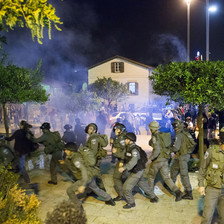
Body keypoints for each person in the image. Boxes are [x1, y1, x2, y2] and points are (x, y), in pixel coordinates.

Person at [147, 121, 183, 202]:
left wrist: (150, 158)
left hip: (158, 160)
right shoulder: (163, 135)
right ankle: (178, 192)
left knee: (151, 177)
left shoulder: (155, 137)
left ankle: (151, 195)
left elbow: (157, 150)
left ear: (152, 129)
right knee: (166, 178)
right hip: (165, 159)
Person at [118, 132, 152, 209]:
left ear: (130, 140)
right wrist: (122, 162)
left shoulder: (134, 150)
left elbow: (134, 161)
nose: (125, 140)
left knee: (126, 187)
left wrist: (124, 167)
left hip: (137, 171)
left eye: (126, 139)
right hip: (137, 170)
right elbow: (125, 156)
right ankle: (153, 197)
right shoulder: (128, 147)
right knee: (142, 184)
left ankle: (131, 203)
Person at [198, 128, 224, 224]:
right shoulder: (212, 151)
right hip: (212, 189)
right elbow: (203, 168)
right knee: (207, 217)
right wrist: (201, 184)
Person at [170, 119, 196, 200]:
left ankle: (189, 192)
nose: (175, 128)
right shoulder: (185, 132)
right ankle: (170, 185)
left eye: (175, 126)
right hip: (185, 155)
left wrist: (168, 149)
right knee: (174, 169)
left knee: (184, 174)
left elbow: (176, 148)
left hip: (183, 156)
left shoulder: (179, 135)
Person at [85, 123, 108, 190]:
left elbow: (94, 151)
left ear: (94, 130)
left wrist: (90, 161)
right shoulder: (93, 137)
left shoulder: (93, 138)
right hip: (95, 159)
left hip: (94, 159)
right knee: (94, 174)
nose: (89, 130)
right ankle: (94, 189)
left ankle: (102, 189)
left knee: (96, 174)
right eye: (89, 128)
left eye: (91, 129)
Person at [111, 122, 127, 201]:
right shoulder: (120, 137)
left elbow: (125, 152)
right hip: (123, 160)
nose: (115, 131)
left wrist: (116, 152)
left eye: (117, 129)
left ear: (121, 130)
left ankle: (121, 195)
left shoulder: (122, 139)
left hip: (123, 160)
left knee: (116, 177)